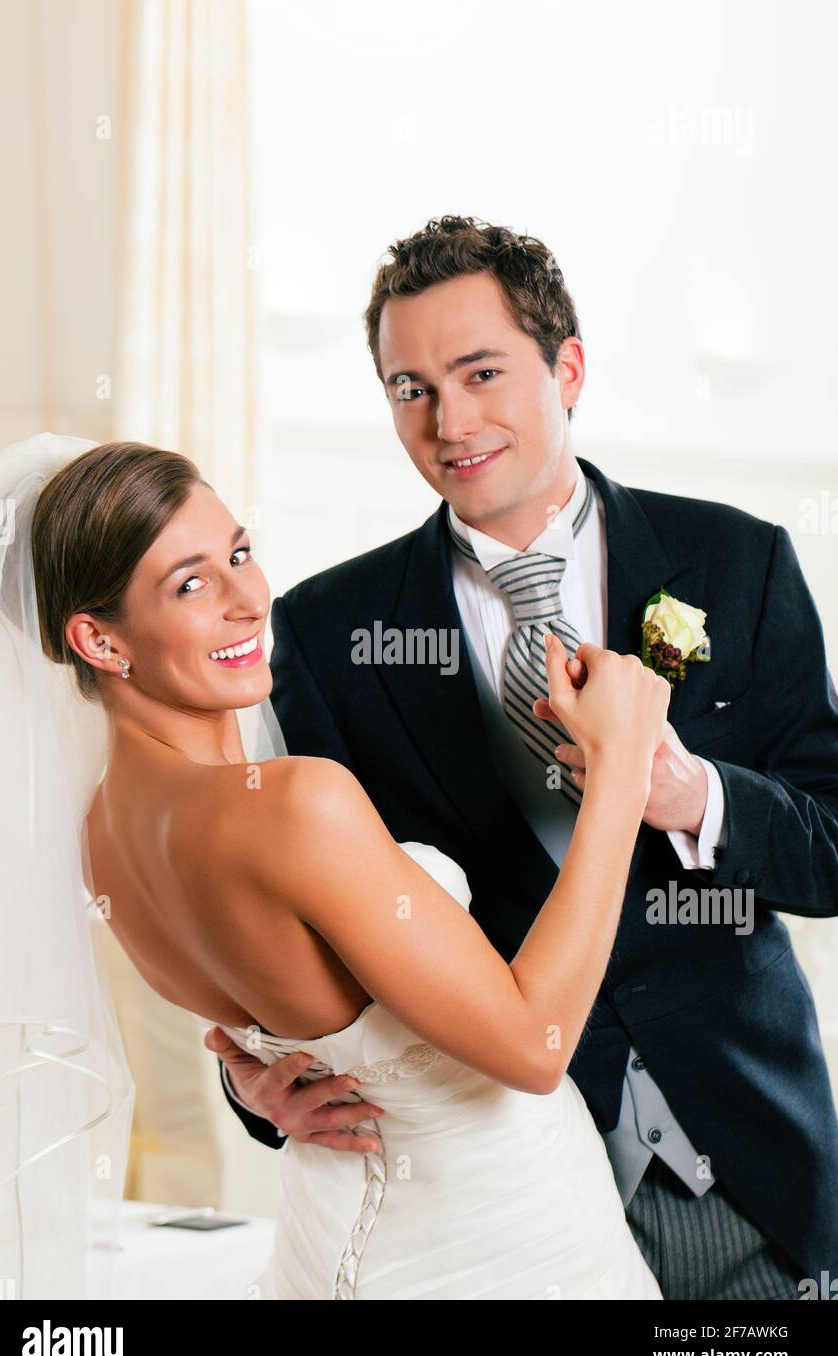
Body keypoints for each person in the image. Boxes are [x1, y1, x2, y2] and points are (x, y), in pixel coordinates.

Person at [210, 215, 838, 1301]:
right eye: (409, 387)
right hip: (490, 1196)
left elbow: (829, 848)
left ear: (568, 368)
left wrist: (686, 791)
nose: (447, 420)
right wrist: (257, 1094)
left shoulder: (739, 563)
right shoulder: (327, 631)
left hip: (747, 1171)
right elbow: (291, 931)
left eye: (480, 371)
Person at [8, 433, 671, 1300]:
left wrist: (256, 1085)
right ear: (98, 640)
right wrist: (621, 770)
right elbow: (534, 1047)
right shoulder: (292, 804)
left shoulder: (99, 836)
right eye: (192, 583)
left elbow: (278, 1010)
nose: (250, 599)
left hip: (329, 1246)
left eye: (240, 553)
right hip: (501, 1243)